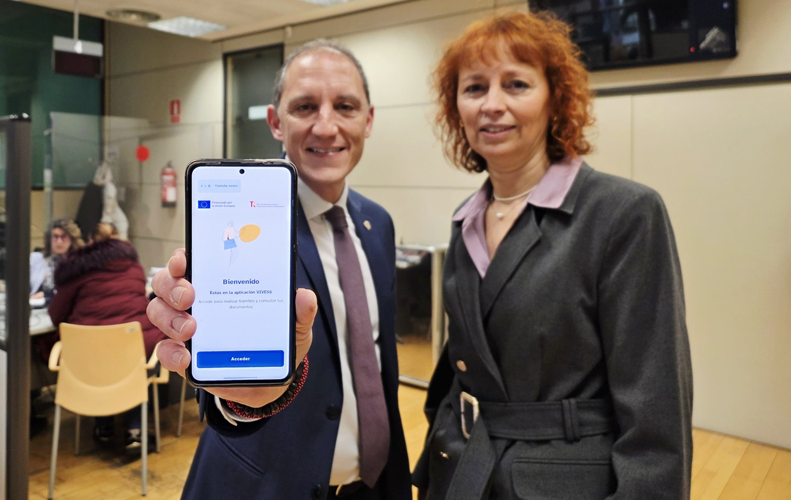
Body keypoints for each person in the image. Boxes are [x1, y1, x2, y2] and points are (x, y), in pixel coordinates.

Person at [413, 12, 693, 499]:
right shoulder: (467, 218)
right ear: (455, 106)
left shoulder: (623, 213)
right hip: (462, 470)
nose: (492, 105)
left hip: (563, 480)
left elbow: (656, 404)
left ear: (554, 99)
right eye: (474, 88)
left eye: (516, 84)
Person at [147, 40, 412, 500]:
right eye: (305, 106)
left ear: (367, 120)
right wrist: (239, 402)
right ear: (276, 122)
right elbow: (229, 398)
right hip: (263, 487)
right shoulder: (244, 226)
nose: (326, 126)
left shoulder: (378, 224)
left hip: (373, 486)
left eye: (345, 106)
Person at [47, 222, 167, 449]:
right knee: (131, 358)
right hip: (136, 350)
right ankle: (135, 431)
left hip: (88, 358)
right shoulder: (133, 267)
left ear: (90, 244)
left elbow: (56, 316)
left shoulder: (76, 271)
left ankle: (103, 427)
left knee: (102, 359)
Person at [30, 218, 84, 301]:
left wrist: (46, 295)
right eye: (55, 237)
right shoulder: (36, 258)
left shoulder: (79, 262)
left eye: (64, 237)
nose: (59, 242)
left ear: (72, 240)